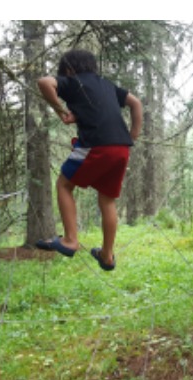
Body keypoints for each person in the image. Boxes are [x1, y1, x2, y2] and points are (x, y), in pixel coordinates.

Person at [35, 49, 142, 271]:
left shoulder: (73, 81)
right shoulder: (107, 85)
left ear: (69, 68)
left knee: (64, 184)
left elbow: (44, 82)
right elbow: (136, 104)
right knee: (107, 200)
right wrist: (133, 135)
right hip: (121, 148)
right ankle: (107, 255)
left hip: (97, 144)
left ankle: (70, 240)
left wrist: (61, 111)